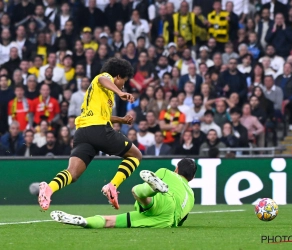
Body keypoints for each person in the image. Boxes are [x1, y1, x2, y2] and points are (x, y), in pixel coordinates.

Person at [38, 58, 141, 212]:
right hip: (98, 130)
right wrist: (120, 92)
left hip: (82, 133)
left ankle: (49, 189)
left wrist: (121, 120)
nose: (123, 85)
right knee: (135, 155)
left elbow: (102, 116)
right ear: (118, 76)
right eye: (124, 81)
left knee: (72, 173)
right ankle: (112, 186)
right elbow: (102, 78)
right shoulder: (105, 78)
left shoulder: (101, 93)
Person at [50, 158, 197, 229]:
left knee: (136, 191)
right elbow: (182, 220)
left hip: (164, 201)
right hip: (167, 221)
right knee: (114, 221)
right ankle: (84, 222)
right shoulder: (191, 195)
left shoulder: (167, 173)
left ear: (176, 169)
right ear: (192, 178)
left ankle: (151, 188)